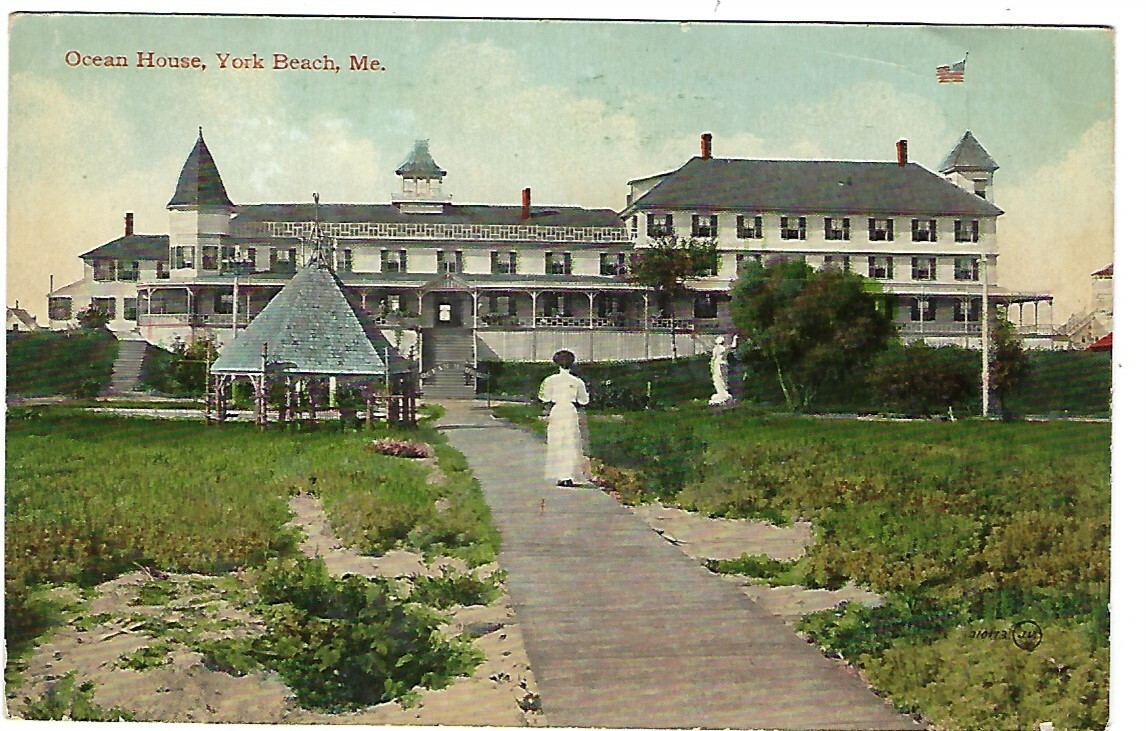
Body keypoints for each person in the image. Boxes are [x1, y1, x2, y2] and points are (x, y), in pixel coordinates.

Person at [538, 350, 590, 486]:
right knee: (571, 441)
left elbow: (544, 397)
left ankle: (562, 475)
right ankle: (568, 475)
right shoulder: (577, 382)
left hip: (557, 411)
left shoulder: (550, 380)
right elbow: (584, 400)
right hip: (570, 411)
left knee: (557, 441)